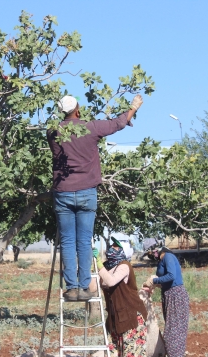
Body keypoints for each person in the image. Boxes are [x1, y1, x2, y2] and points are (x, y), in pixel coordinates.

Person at [47, 94, 143, 301]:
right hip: (86, 192)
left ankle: (72, 288)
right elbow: (117, 123)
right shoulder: (91, 127)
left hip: (62, 192)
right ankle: (84, 286)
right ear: (78, 110)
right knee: (83, 241)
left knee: (67, 241)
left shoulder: (52, 132)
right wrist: (133, 107)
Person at [95, 237, 148, 357]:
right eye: (112, 245)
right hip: (115, 317)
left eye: (116, 246)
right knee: (114, 353)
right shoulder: (106, 267)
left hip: (131, 316)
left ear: (123, 250)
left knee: (132, 353)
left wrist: (98, 264)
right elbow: (94, 285)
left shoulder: (124, 266)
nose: (111, 248)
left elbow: (110, 281)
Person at [143, 246, 189, 357]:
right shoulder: (162, 260)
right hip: (169, 294)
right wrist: (154, 284)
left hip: (175, 294)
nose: (151, 255)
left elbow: (171, 276)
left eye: (151, 252)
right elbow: (165, 279)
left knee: (174, 328)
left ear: (157, 251)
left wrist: (154, 280)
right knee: (172, 326)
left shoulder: (168, 257)